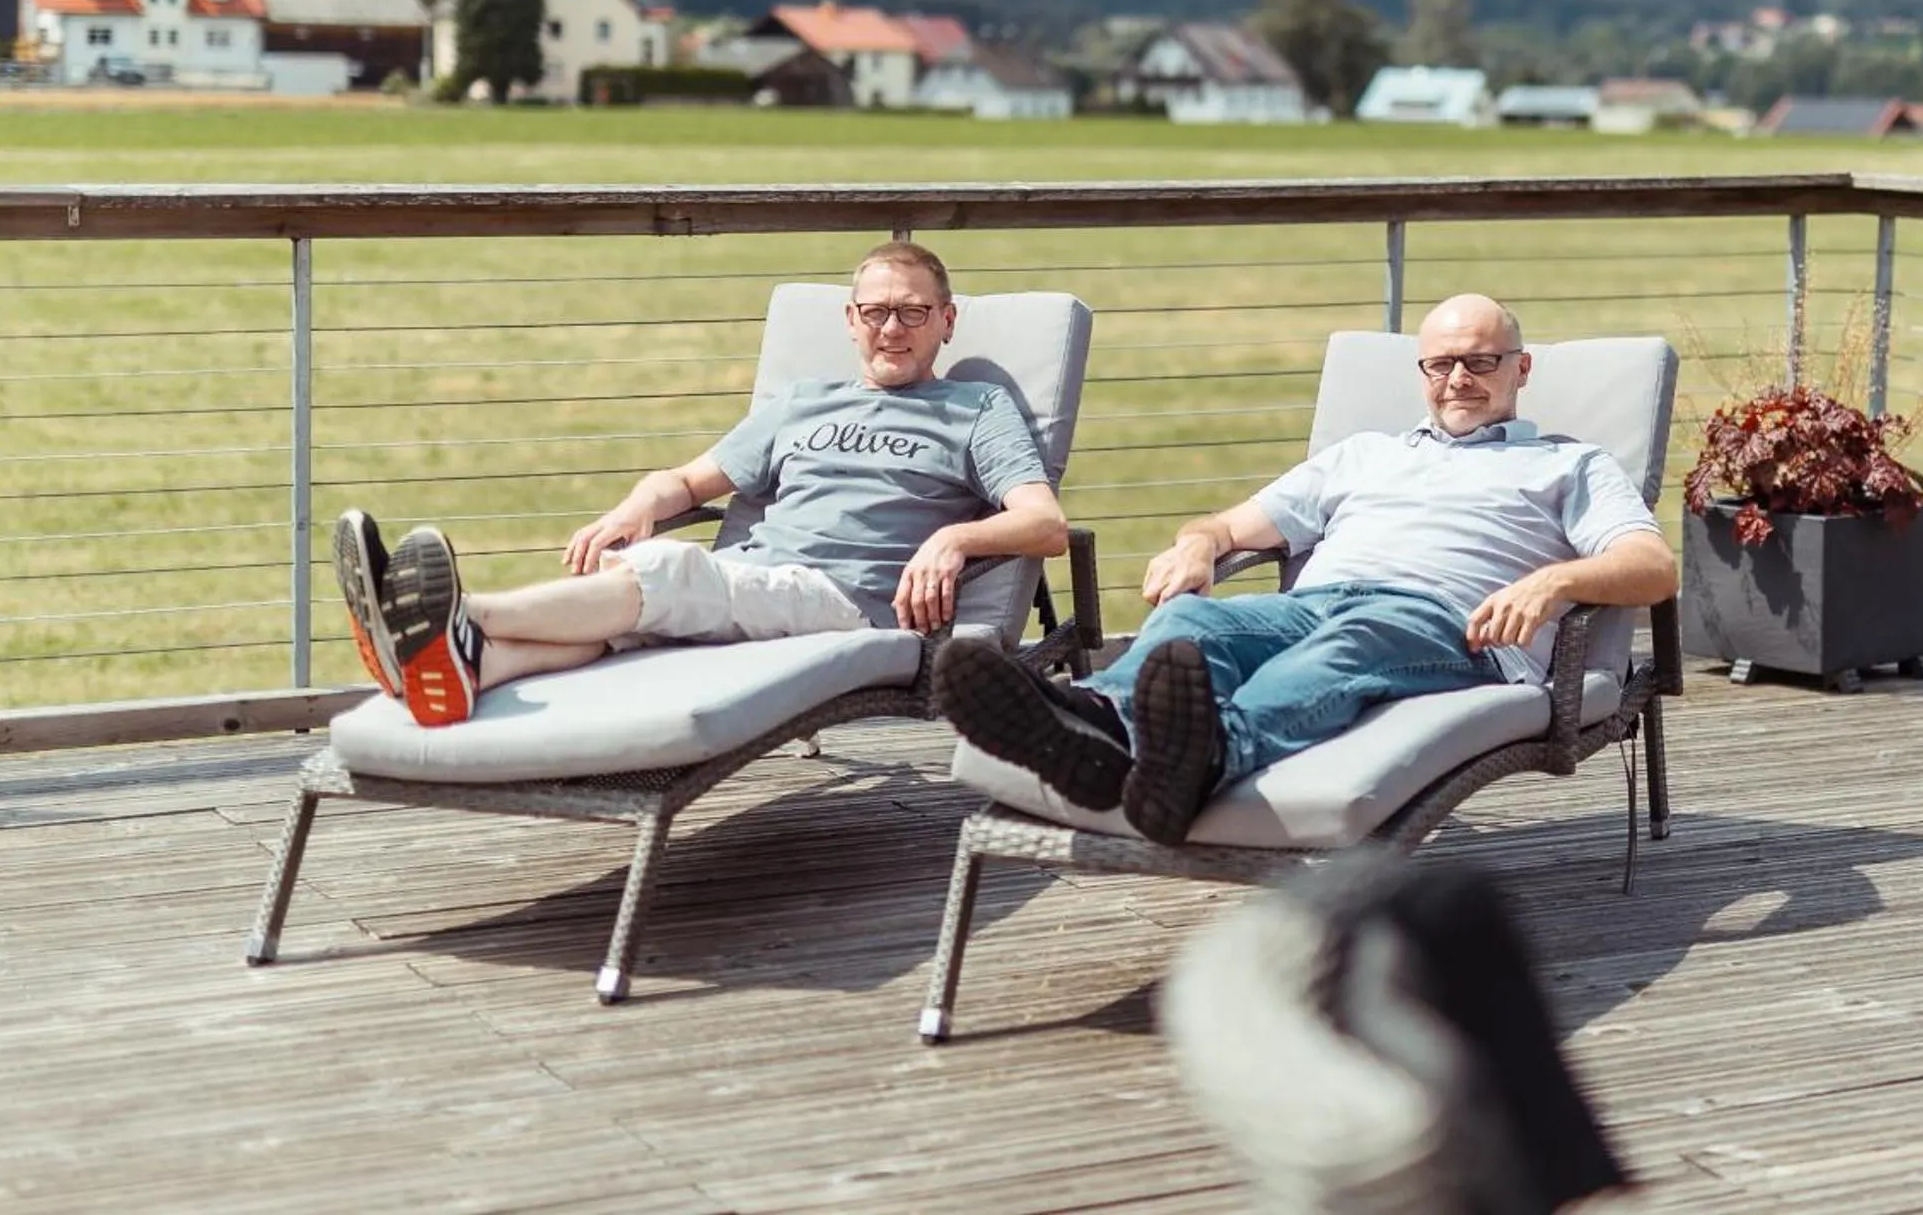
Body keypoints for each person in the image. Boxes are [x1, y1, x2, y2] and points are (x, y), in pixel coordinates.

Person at [937, 293, 1675, 844]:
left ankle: (1208, 753)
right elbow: (1231, 524)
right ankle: (1092, 726)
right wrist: (1199, 543)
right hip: (1312, 602)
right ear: (1421, 372)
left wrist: (1555, 581)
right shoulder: (1365, 452)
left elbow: (1652, 565)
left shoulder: (1566, 462)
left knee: (1345, 648)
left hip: (1444, 621)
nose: (1459, 378)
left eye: (1480, 361)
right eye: (1441, 363)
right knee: (1195, 618)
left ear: (1521, 367)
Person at [332, 241, 1068, 727]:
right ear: (850, 321)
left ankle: (460, 612)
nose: (892, 327)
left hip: (846, 603)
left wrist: (952, 537)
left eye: (912, 311)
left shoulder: (976, 408)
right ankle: (452, 667)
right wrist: (635, 505)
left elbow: (1045, 524)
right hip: (745, 583)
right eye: (875, 311)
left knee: (671, 572)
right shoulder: (803, 401)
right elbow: (687, 479)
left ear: (946, 320)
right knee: (621, 623)